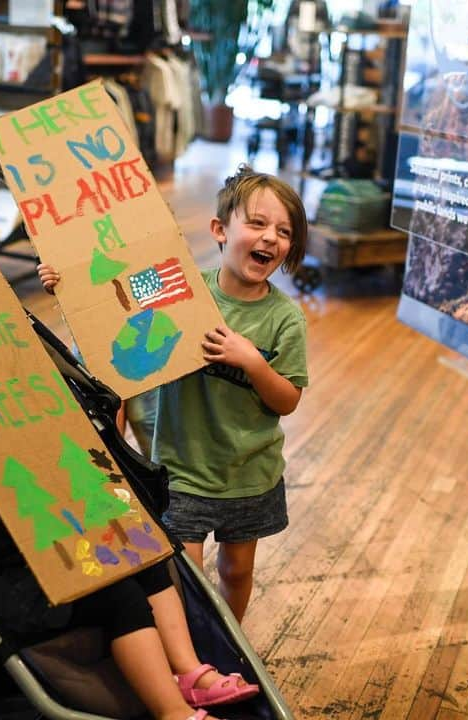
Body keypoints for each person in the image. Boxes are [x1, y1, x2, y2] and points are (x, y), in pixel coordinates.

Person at [0, 370, 259, 719]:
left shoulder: (15, 424)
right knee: (121, 597)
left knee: (147, 556)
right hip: (15, 579)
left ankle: (188, 669)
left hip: (68, 544)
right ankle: (173, 712)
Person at [38, 164, 309, 622]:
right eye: (258, 223)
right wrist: (65, 280)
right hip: (180, 468)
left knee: (238, 571)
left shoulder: (285, 320)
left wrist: (254, 362)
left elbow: (287, 400)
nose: (270, 238)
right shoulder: (181, 286)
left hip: (249, 473)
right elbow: (113, 292)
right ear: (220, 230)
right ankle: (195, 655)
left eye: (284, 231)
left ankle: (232, 646)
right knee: (185, 575)